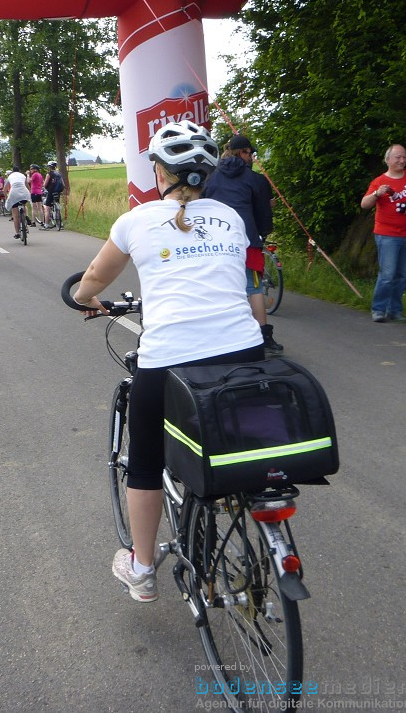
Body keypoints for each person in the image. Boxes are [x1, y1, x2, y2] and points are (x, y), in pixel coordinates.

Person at [72, 120, 264, 602]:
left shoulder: (137, 219)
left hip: (171, 362)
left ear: (160, 171)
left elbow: (95, 276)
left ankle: (141, 568)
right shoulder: (231, 216)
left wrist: (83, 297)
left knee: (145, 460)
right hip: (245, 351)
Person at [203, 134, 284, 353]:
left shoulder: (211, 177)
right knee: (254, 288)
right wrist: (262, 234)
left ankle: (221, 337)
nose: (253, 157)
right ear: (243, 152)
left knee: (219, 288)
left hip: (215, 241)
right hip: (246, 239)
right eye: (251, 153)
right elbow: (263, 213)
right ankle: (264, 338)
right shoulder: (255, 180)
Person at [361, 144, 406, 322]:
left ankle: (394, 310)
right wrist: (377, 193)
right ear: (388, 160)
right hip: (387, 235)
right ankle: (378, 309)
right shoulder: (379, 181)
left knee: (402, 274)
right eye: (398, 157)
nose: (402, 160)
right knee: (387, 274)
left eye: (404, 157)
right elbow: (364, 204)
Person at [4, 167, 32, 239]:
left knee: (15, 216)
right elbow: (27, 185)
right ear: (19, 171)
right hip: (24, 192)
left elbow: (5, 189)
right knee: (23, 204)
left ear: (12, 171)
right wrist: (29, 193)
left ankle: (17, 233)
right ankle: (26, 216)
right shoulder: (22, 175)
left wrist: (7, 198)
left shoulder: (10, 176)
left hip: (14, 193)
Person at [44, 161, 65, 226]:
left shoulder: (49, 174)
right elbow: (63, 184)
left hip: (51, 191)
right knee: (57, 205)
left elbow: (45, 184)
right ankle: (60, 223)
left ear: (49, 167)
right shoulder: (59, 174)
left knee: (47, 208)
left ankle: (46, 225)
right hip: (58, 191)